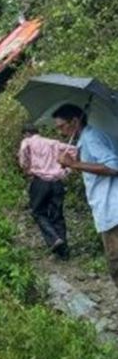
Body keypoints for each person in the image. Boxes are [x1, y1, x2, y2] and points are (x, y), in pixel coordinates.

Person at [54, 104, 118, 286]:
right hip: (107, 210)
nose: (60, 132)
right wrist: (74, 163)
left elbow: (113, 166)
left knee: (116, 263)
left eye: (61, 126)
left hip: (112, 210)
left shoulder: (91, 137)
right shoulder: (86, 139)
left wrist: (73, 164)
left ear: (75, 121)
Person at [18, 124, 75, 259]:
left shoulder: (27, 142)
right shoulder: (53, 143)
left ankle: (54, 238)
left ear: (26, 134)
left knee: (38, 212)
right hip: (57, 182)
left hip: (40, 181)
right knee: (57, 214)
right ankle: (64, 253)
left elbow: (23, 157)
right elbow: (73, 149)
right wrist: (67, 170)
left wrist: (26, 168)